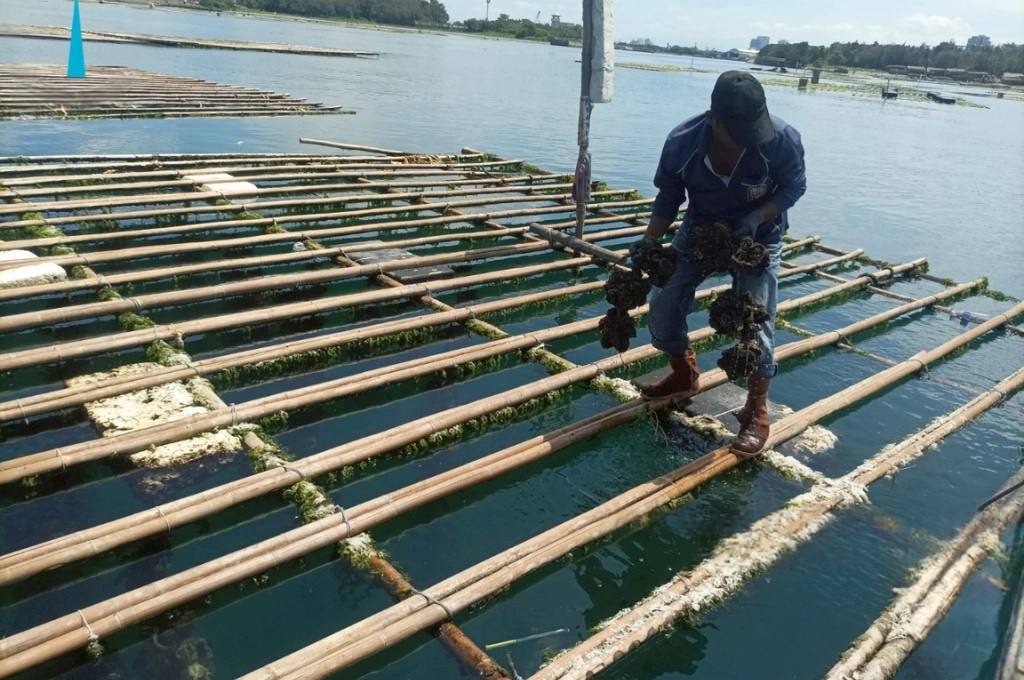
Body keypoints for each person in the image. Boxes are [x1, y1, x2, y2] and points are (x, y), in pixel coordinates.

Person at [632, 70, 806, 456]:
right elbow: (669, 196)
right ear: (714, 119)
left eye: (753, 131)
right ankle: (683, 372)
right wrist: (649, 242)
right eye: (740, 132)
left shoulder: (781, 140)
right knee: (663, 297)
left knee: (755, 317)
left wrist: (757, 217)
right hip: (701, 227)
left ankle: (756, 410)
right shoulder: (682, 143)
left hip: (759, 236)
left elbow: (794, 186)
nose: (749, 140)